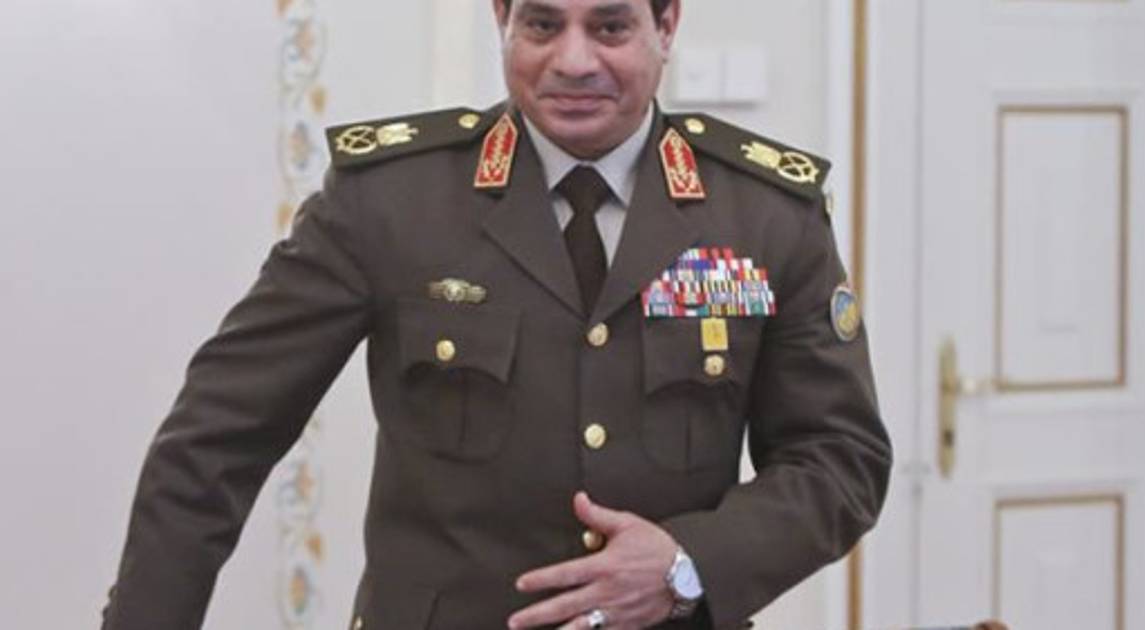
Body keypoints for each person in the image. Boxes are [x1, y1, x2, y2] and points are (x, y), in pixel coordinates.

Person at [102, 0, 892, 628]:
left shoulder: (764, 215)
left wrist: (689, 564)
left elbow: (839, 458)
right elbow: (217, 437)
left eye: (610, 27)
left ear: (667, 25)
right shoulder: (389, 202)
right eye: (542, 25)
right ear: (501, 21)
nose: (573, 61)